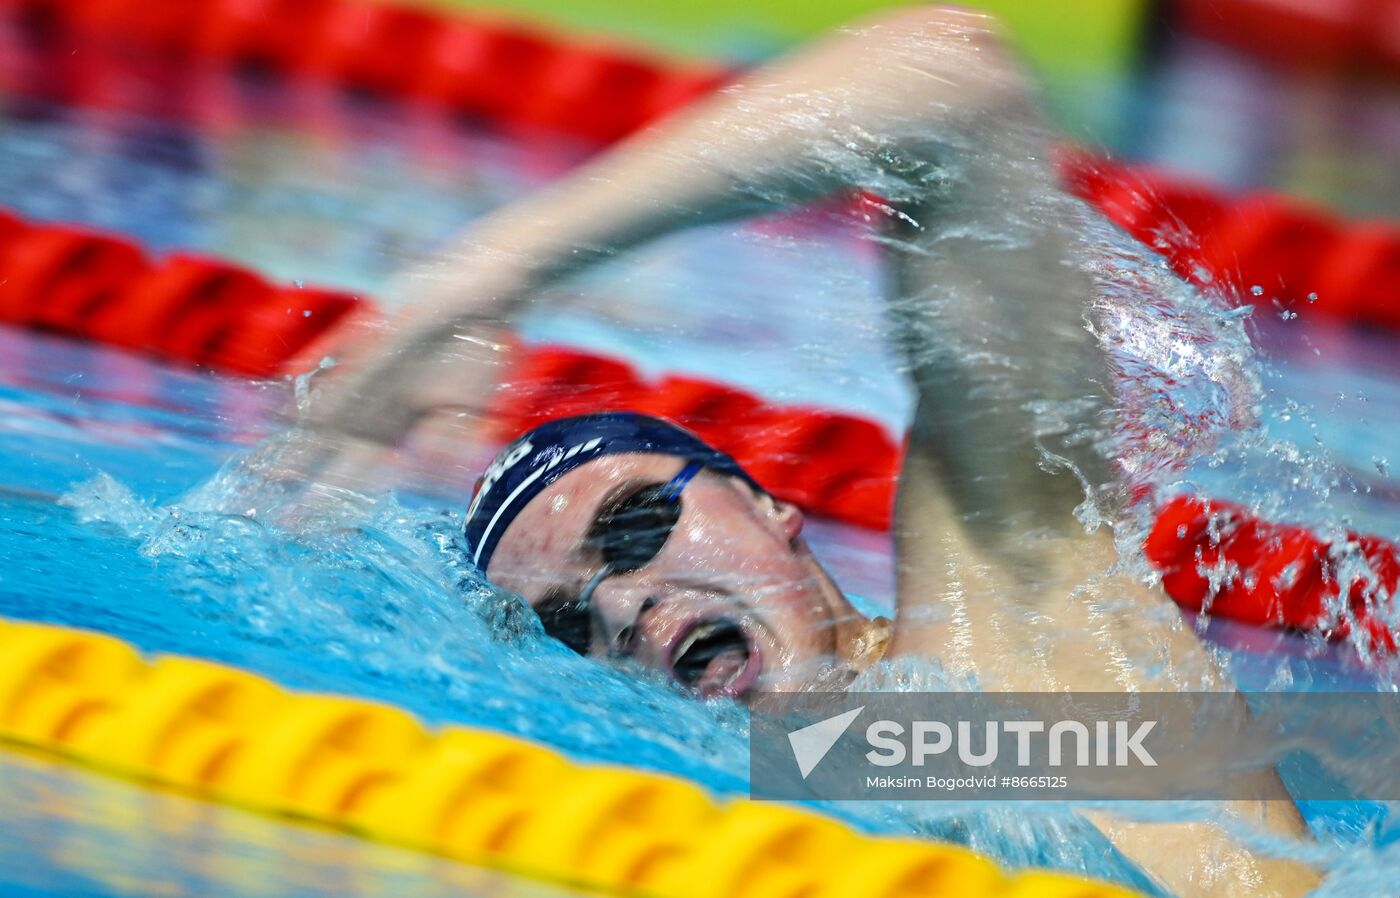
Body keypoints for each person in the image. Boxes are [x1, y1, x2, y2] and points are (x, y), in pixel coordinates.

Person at [299, 6, 1320, 896]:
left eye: (636, 523)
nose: (619, 604)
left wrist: (493, 268)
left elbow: (957, 77)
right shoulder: (734, 799)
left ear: (769, 507)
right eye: (566, 622)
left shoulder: (1003, 621)